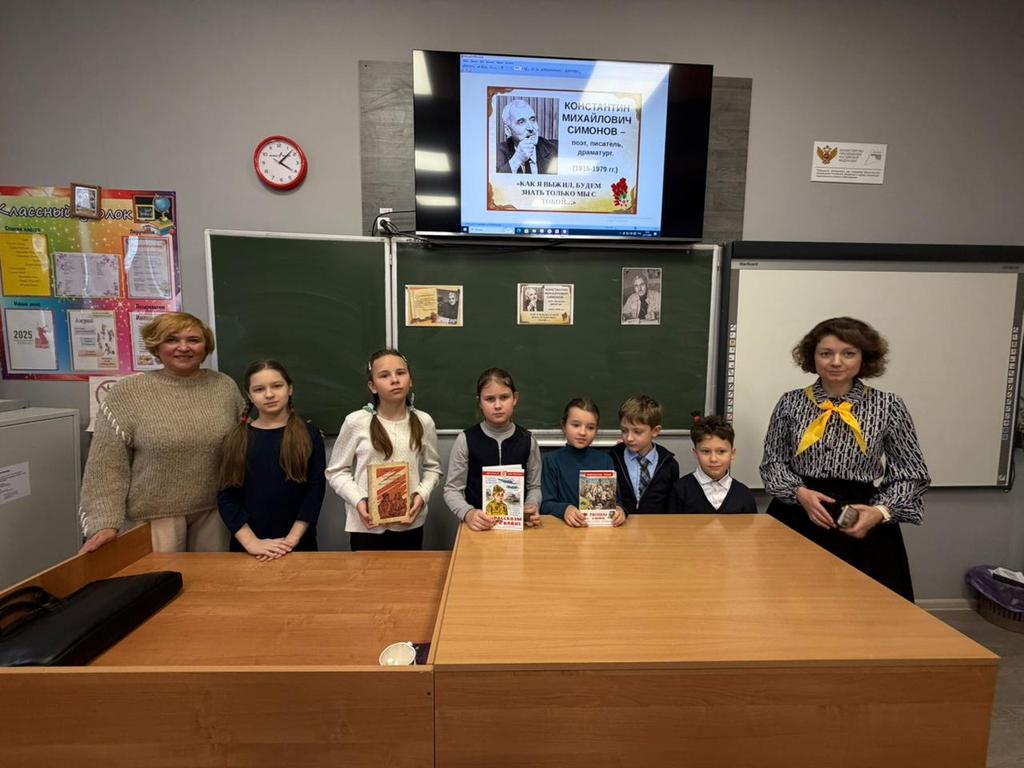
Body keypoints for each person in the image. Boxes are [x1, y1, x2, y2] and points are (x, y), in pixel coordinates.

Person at [759, 317, 929, 601]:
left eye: (848, 353)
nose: (836, 362)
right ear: (812, 357)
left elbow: (911, 473)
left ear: (865, 357)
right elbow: (773, 463)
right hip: (798, 513)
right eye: (826, 353)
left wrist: (880, 512)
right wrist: (798, 493)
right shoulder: (790, 402)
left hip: (862, 516)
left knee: (864, 607)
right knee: (790, 603)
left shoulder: (889, 406)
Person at [78, 312, 244, 553]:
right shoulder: (128, 393)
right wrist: (103, 523)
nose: (183, 347)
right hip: (154, 519)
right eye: (172, 339)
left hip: (215, 513)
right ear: (156, 346)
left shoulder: (224, 387)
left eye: (193, 340)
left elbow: (246, 444)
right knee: (160, 577)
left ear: (206, 346)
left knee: (213, 577)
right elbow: (106, 466)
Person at [326, 348, 442, 551]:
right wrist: (359, 500)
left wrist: (422, 495)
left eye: (401, 373)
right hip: (367, 526)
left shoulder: (424, 421)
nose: (395, 380)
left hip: (409, 524)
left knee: (409, 572)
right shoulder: (356, 422)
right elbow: (336, 471)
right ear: (372, 386)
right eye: (384, 375)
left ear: (410, 380)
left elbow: (433, 468)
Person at [217, 360, 326, 560]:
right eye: (259, 389)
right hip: (249, 548)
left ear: (290, 389)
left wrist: (291, 540)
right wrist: (252, 543)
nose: (269, 394)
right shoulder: (235, 439)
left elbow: (315, 491)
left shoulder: (309, 435)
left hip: (298, 544)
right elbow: (227, 497)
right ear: (249, 395)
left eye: (277, 386)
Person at [444, 368, 542, 530]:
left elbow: (534, 487)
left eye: (504, 397)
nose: (497, 405)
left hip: (518, 527)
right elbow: (452, 490)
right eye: (489, 399)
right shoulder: (466, 439)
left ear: (515, 398)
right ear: (480, 402)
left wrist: (531, 505)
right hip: (478, 527)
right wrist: (468, 513)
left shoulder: (528, 440)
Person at [541, 397, 626, 527]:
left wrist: (619, 510)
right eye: (575, 425)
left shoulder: (605, 460)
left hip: (599, 531)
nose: (582, 432)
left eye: (590, 427)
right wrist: (565, 510)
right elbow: (545, 504)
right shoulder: (551, 460)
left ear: (596, 430)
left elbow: (616, 501)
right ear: (564, 426)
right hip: (564, 530)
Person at [609, 395, 680, 513]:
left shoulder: (670, 465)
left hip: (656, 524)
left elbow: (672, 506)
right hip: (622, 523)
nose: (629, 438)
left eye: (637, 432)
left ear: (655, 431)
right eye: (624, 431)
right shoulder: (611, 459)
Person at [673, 415, 757, 514]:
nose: (713, 459)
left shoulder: (744, 495)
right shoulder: (680, 490)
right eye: (706, 451)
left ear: (732, 454)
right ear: (696, 453)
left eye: (721, 451)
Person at [496, 99, 559, 174]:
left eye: (532, 120)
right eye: (521, 122)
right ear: (508, 130)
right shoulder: (498, 153)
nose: (531, 128)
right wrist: (517, 159)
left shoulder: (556, 149)